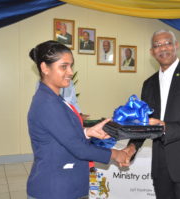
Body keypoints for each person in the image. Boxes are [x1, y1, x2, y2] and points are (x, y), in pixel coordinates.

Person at [27, 40, 128, 199]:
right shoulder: (48, 103)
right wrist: (115, 154)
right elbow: (79, 149)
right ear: (45, 68)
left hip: (61, 185)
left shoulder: (55, 98)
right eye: (64, 66)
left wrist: (88, 131)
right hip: (54, 189)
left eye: (71, 66)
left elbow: (61, 134)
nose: (70, 72)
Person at [123, 30, 180, 199]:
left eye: (167, 43)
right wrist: (132, 147)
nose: (162, 48)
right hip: (160, 168)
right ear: (151, 52)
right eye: (157, 45)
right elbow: (145, 123)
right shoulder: (148, 84)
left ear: (176, 46)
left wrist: (166, 128)